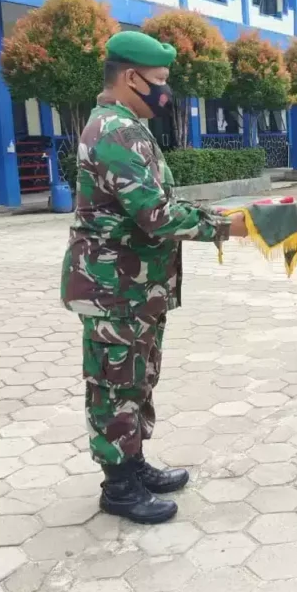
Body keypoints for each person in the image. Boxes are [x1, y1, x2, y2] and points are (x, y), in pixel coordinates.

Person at [60, 31, 248, 525]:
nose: (166, 92)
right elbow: (155, 216)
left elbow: (161, 201)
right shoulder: (113, 131)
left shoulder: (130, 126)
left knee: (138, 378)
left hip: (137, 286)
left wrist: (212, 213)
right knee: (114, 382)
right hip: (112, 288)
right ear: (130, 77)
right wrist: (225, 227)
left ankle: (134, 461)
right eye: (160, 81)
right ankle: (118, 485)